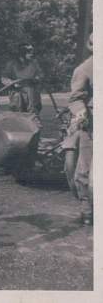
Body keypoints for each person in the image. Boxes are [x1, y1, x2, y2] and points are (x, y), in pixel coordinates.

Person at [64, 33, 93, 225]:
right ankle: (87, 209)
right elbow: (75, 98)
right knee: (84, 170)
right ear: (91, 46)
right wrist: (81, 113)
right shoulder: (84, 69)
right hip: (93, 126)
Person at [1, 43, 44, 116]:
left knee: (33, 117)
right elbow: (4, 78)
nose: (31, 54)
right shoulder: (12, 64)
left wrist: (37, 78)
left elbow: (40, 74)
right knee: (18, 117)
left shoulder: (34, 63)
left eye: (32, 52)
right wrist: (12, 83)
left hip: (32, 95)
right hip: (17, 96)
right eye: (29, 52)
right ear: (22, 53)